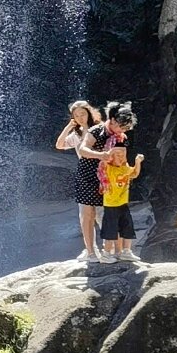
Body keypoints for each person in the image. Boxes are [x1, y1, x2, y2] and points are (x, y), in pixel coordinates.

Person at [55, 99, 105, 260]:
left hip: (102, 174)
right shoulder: (77, 134)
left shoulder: (100, 129)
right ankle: (90, 251)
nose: (80, 118)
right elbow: (60, 145)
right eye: (76, 116)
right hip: (85, 174)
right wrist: (69, 127)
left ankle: (109, 249)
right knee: (85, 214)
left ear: (89, 112)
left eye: (83, 114)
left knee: (102, 213)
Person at [96, 108, 143, 262]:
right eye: (118, 155)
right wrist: (107, 153)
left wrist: (137, 162)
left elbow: (134, 174)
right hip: (111, 205)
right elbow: (102, 163)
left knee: (127, 228)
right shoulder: (108, 168)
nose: (121, 157)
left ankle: (126, 251)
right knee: (110, 230)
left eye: (123, 155)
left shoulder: (124, 168)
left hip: (123, 203)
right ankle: (106, 254)